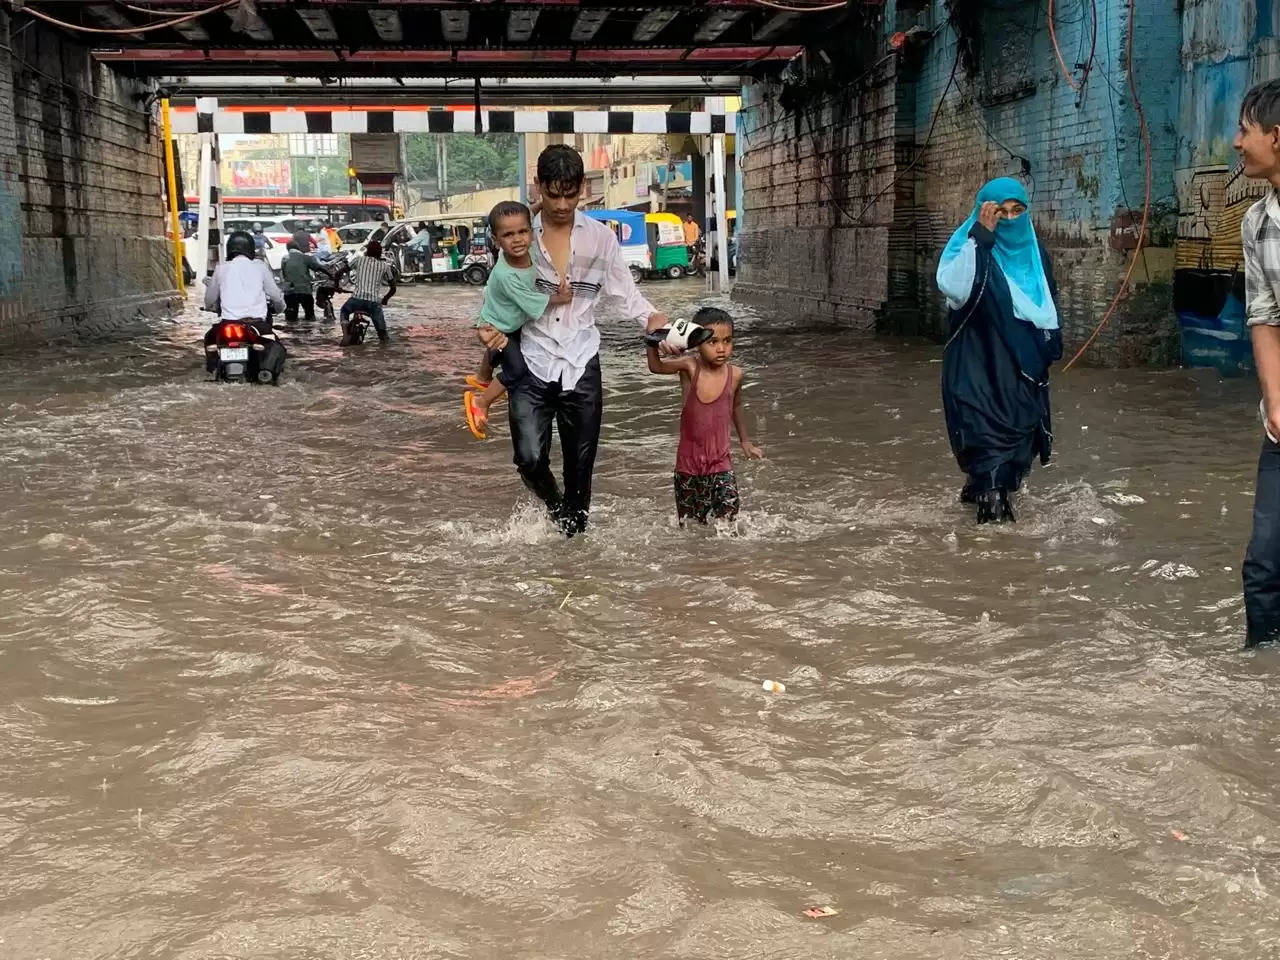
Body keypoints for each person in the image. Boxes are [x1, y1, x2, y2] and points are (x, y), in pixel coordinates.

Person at [476, 145, 670, 537]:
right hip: (532, 358)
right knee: (528, 459)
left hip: (582, 360)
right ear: (538, 188)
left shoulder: (600, 238)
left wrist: (654, 319)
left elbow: (624, 294)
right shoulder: (517, 234)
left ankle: (574, 560)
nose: (562, 204)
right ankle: (555, 509)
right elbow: (496, 296)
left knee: (581, 469)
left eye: (570, 193)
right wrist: (488, 330)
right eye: (553, 194)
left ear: (582, 187)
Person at [935, 177, 1062, 525]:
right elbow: (957, 289)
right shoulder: (972, 250)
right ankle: (992, 569)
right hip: (977, 378)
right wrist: (981, 236)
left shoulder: (1038, 260)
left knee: (1003, 472)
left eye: (1016, 211)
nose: (1008, 219)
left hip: (1020, 385)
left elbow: (1049, 318)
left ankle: (973, 527)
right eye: (999, 212)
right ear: (982, 213)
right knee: (992, 473)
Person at [464, 201, 574, 439]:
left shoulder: (530, 250)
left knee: (502, 349)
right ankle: (482, 401)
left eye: (522, 232)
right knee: (517, 371)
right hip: (498, 327)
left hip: (504, 319)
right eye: (508, 235)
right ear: (496, 241)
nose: (517, 239)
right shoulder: (506, 275)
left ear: (531, 233)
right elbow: (533, 302)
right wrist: (561, 297)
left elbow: (529, 213)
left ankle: (483, 376)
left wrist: (543, 202)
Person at [645, 307, 764, 525]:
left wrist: (746, 442)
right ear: (697, 341)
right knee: (691, 526)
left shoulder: (736, 374)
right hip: (688, 467)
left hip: (721, 464)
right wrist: (652, 338)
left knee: (729, 521)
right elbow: (656, 366)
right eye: (713, 342)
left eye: (727, 341)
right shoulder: (690, 367)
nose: (721, 349)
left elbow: (736, 406)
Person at [1235, 79, 1280, 647]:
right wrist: (1275, 401)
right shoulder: (1257, 224)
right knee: (1264, 567)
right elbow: (1264, 315)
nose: (1237, 143)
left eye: (1244, 130)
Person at [202, 229, 284, 369]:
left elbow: (209, 299)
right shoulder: (260, 267)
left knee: (210, 337)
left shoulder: (221, 268)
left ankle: (214, 369)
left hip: (227, 325)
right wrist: (281, 306)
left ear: (229, 249)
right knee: (275, 346)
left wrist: (211, 306)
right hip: (256, 325)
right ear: (251, 249)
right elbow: (276, 296)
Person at [341, 239, 397, 342]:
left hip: (356, 300)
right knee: (383, 336)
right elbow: (393, 288)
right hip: (374, 303)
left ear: (367, 251)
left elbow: (339, 272)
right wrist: (385, 298)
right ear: (380, 253)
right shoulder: (384, 266)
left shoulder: (358, 260)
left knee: (344, 311)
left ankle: (345, 335)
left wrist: (336, 285)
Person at [279, 240, 330, 323]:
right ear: (298, 248)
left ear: (288, 249)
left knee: (290, 320)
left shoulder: (284, 259)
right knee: (310, 317)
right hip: (305, 291)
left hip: (290, 292)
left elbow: (284, 275)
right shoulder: (305, 257)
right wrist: (330, 275)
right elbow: (319, 267)